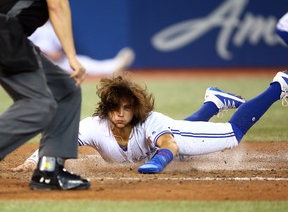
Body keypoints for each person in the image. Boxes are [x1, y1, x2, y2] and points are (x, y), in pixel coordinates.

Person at [12, 71, 288, 174]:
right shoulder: (93, 126)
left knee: (233, 133)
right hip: (156, 147)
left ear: (135, 109)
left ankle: (278, 85)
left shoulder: (150, 122)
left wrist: (157, 162)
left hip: (172, 139)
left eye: (126, 108)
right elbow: (61, 139)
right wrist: (32, 161)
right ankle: (214, 102)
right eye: (114, 108)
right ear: (106, 110)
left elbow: (170, 144)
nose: (120, 114)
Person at [0, 0, 90, 190]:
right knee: (39, 105)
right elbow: (56, 4)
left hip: (10, 32)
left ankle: (49, 171)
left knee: (65, 90)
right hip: (5, 31)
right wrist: (71, 56)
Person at [29, 21, 135, 76]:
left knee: (84, 63)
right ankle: (113, 68)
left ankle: (115, 64)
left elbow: (59, 52)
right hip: (38, 64)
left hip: (59, 62)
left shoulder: (52, 27)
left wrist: (54, 54)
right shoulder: (31, 27)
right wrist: (45, 53)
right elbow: (28, 47)